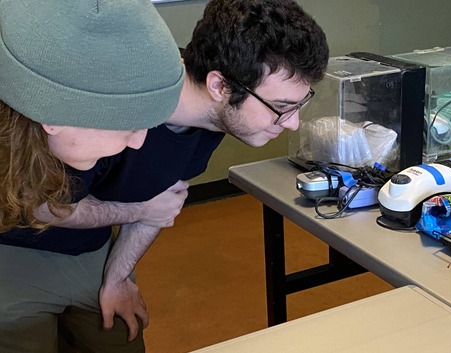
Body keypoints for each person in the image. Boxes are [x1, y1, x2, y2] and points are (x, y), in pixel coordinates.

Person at [85, 0, 329, 349]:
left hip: (92, 240)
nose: (292, 123)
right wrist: (140, 211)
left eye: (299, 104)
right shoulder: (116, 103)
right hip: (18, 236)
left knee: (119, 338)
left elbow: (164, 197)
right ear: (219, 86)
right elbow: (37, 209)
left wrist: (118, 277)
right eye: (281, 108)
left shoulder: (212, 115)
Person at [0, 0, 186, 352]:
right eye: (126, 126)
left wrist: (118, 277)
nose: (138, 142)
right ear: (51, 114)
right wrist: (141, 211)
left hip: (84, 248)